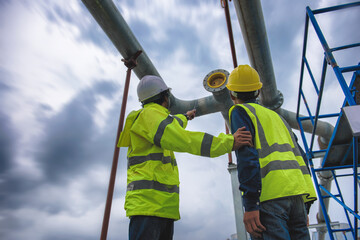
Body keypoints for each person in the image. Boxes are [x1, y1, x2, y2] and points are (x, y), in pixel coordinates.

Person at [118, 75, 253, 240]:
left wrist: (186, 117)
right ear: (165, 96)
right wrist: (229, 142)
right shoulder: (149, 117)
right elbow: (184, 139)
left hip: (158, 206)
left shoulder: (153, 118)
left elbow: (171, 124)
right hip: (149, 206)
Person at [226, 65, 317, 240]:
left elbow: (247, 157)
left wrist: (251, 204)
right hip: (297, 196)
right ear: (258, 91)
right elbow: (302, 158)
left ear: (231, 94)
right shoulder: (278, 118)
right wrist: (304, 207)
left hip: (269, 198)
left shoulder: (240, 111)